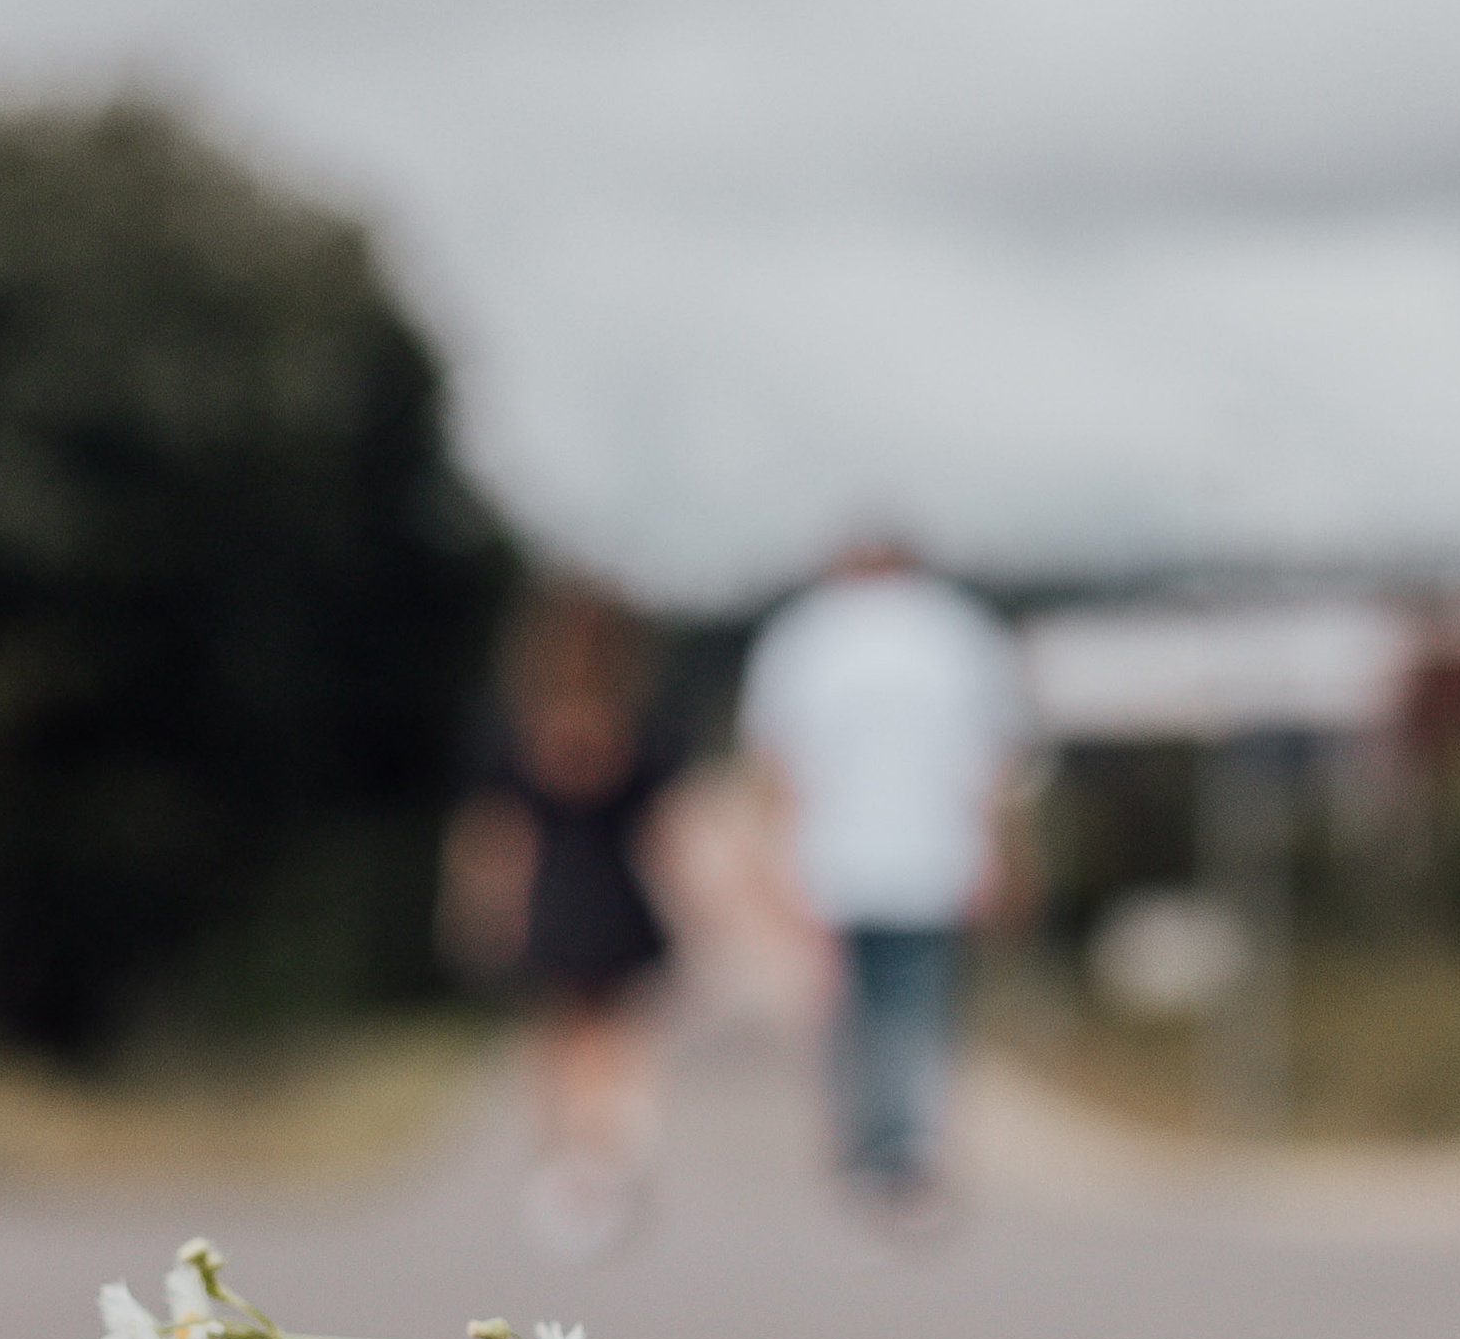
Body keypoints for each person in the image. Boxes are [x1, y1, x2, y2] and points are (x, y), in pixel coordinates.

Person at [740, 539, 1031, 1214]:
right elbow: (993, 757)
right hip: (935, 853)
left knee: (843, 1008)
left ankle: (861, 1145)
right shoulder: (959, 630)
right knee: (918, 1009)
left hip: (831, 857)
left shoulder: (805, 631)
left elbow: (775, 755)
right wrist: (997, 850)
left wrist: (774, 853)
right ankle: (910, 1147)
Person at [439, 582, 685, 1257]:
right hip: (617, 894)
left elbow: (499, 834)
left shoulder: (513, 727)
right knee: (612, 1034)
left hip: (554, 896)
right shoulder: (643, 728)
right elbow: (662, 833)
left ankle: (565, 1173)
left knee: (555, 1037)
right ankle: (604, 1158)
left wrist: (481, 905)